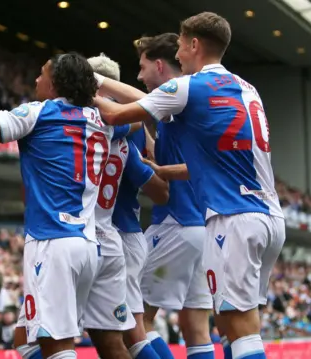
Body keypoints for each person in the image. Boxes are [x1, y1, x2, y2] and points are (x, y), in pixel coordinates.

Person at [92, 12, 285, 359]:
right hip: (269, 217)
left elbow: (116, 114)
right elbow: (206, 162)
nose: (178, 55)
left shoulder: (188, 87)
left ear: (194, 45)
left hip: (229, 219)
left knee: (145, 321)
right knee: (229, 326)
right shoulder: (246, 88)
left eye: (180, 45)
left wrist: (84, 83)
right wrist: (164, 170)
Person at [0, 53, 130, 359]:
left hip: (52, 242)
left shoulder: (40, 113)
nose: (36, 80)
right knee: (27, 341)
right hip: (87, 246)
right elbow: (141, 109)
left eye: (42, 75)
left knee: (57, 347)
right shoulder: (104, 121)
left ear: (56, 84)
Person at [134, 33, 214, 359]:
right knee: (196, 327)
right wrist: (153, 156)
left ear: (157, 65)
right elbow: (171, 155)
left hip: (175, 224)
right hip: (201, 230)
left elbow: (130, 104)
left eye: (141, 68)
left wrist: (96, 85)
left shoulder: (175, 95)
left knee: (132, 318)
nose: (139, 77)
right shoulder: (188, 105)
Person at [87, 53, 168, 359]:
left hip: (111, 235)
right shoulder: (125, 133)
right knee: (134, 331)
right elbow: (158, 191)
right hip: (122, 234)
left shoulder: (97, 128)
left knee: (130, 334)